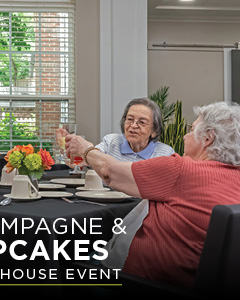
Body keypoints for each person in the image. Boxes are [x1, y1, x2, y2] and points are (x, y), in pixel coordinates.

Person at [65, 101, 240, 289]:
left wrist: (85, 148)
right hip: (194, 286)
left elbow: (110, 172)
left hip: (145, 285)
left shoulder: (182, 168)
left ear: (207, 138)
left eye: (191, 129)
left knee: (62, 261)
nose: (184, 135)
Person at [96, 97, 174, 161]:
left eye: (142, 122)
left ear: (154, 130)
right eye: (130, 119)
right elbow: (90, 156)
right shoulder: (111, 142)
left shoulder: (165, 154)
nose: (133, 125)